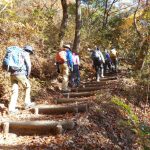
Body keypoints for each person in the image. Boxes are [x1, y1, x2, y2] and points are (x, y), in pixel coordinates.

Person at [8, 45, 35, 113]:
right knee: (28, 87)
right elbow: (29, 65)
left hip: (12, 74)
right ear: (29, 51)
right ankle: (27, 103)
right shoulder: (25, 54)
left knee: (14, 91)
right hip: (20, 74)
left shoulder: (18, 52)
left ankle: (11, 109)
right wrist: (27, 75)